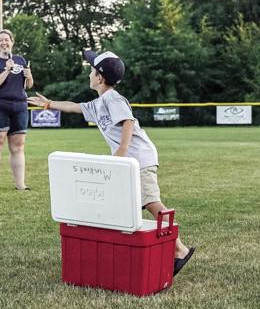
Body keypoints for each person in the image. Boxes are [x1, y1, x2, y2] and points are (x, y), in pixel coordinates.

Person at [28, 50, 196, 276]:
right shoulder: (99, 102)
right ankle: (136, 250)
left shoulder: (113, 98)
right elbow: (75, 106)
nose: (88, 73)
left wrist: (121, 152)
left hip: (140, 159)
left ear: (99, 78)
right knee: (126, 206)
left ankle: (180, 249)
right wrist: (49, 104)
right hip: (128, 162)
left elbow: (127, 121)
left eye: (91, 70)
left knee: (151, 203)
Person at [0, 29, 34, 190]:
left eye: (7, 40)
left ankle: (20, 185)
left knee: (18, 147)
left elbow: (28, 85)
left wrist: (29, 75)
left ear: (12, 42)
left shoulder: (20, 59)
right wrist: (7, 70)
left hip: (19, 107)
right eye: (1, 40)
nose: (4, 42)